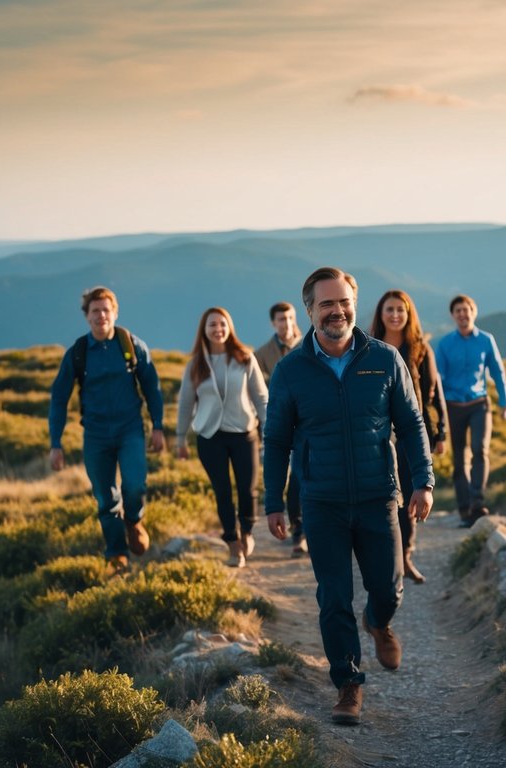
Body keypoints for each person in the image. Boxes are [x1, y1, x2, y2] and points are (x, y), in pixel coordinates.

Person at [262, 266, 435, 726]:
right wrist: (274, 502)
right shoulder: (290, 371)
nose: (337, 311)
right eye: (326, 304)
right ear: (310, 310)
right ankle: (348, 684)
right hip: (322, 502)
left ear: (354, 305)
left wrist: (423, 480)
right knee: (334, 597)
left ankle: (378, 622)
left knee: (388, 587)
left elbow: (412, 423)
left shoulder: (383, 358)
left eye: (344, 303)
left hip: (380, 496)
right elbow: (276, 440)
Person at [48, 285, 165, 574]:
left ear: (115, 313)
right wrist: (56, 442)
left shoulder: (132, 346)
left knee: (135, 485)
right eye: (95, 310)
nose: (101, 315)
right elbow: (59, 399)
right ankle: (116, 553)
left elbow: (152, 388)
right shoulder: (77, 353)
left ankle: (134, 520)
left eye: (106, 309)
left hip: (130, 430)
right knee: (104, 496)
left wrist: (158, 426)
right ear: (86, 316)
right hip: (96, 435)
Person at [177, 307, 269, 568]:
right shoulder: (195, 364)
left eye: (222, 324)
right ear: (204, 331)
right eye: (212, 326)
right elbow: (185, 402)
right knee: (222, 492)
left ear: (229, 328)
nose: (218, 329)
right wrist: (180, 437)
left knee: (247, 489)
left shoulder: (244, 358)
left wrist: (269, 425)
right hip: (209, 436)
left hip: (244, 434)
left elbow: (261, 397)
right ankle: (232, 544)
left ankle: (247, 532)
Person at [369, 289, 448, 584]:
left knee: (411, 496)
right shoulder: (369, 347)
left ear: (408, 314)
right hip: (375, 434)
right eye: (389, 309)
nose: (394, 315)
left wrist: (441, 432)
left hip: (411, 433)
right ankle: (383, 556)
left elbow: (434, 393)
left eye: (400, 310)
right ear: (381, 313)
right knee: (381, 496)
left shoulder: (420, 349)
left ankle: (406, 557)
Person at [436, 294, 506, 527]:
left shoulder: (487, 340)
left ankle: (478, 502)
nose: (462, 314)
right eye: (457, 311)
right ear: (452, 316)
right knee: (459, 460)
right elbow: (438, 379)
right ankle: (465, 509)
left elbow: (497, 372)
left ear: (473, 312)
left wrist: (505, 403)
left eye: (466, 310)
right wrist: (437, 411)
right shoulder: (445, 344)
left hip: (480, 404)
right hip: (453, 407)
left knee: (480, 449)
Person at [255, 301, 306, 557]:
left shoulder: (310, 344)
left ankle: (300, 532)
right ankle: (291, 522)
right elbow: (253, 384)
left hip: (308, 421)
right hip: (281, 420)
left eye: (290, 318)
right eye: (281, 319)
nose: (286, 323)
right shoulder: (263, 353)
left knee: (299, 475)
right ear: (273, 323)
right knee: (282, 475)